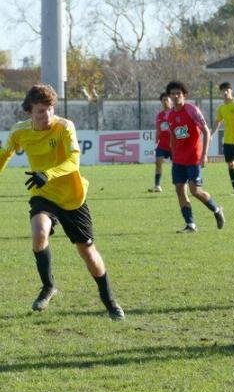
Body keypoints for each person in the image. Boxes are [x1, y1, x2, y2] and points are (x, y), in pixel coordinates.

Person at [0, 83, 124, 320]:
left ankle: (109, 301)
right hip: (43, 195)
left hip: (72, 197)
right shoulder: (20, 132)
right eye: (40, 111)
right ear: (29, 111)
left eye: (49, 109)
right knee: (39, 233)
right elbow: (4, 155)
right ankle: (48, 287)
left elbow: (73, 162)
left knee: (88, 252)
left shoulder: (65, 127)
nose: (46, 115)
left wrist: (47, 174)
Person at [165, 80, 225, 233]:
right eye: (173, 94)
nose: (175, 96)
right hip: (178, 159)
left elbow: (206, 131)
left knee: (195, 191)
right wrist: (172, 151)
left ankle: (217, 209)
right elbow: (172, 134)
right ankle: (190, 225)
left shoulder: (192, 110)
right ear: (169, 96)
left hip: (194, 157)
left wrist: (204, 154)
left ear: (184, 95)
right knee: (179, 190)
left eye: (178, 93)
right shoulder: (170, 114)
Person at [148, 92, 173, 192]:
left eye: (167, 99)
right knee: (158, 162)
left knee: (177, 165)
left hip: (174, 144)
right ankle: (157, 185)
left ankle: (182, 183)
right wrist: (156, 141)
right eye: (163, 100)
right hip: (162, 144)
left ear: (170, 100)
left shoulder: (174, 112)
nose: (165, 101)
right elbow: (158, 129)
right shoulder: (160, 115)